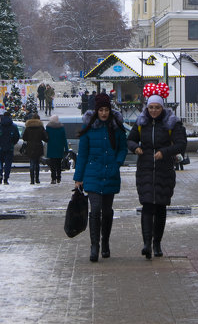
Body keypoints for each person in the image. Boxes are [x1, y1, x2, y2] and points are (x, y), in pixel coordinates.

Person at [127, 93, 186, 259]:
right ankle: (146, 243)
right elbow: (130, 139)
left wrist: (164, 152)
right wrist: (135, 148)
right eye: (151, 107)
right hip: (145, 168)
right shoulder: (141, 123)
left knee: (160, 207)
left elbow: (182, 144)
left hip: (164, 170)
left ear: (162, 108)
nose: (153, 111)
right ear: (147, 108)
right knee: (147, 205)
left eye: (157, 107)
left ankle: (157, 243)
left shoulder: (171, 123)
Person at [73, 93, 127, 262]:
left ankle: (105, 242)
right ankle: (94, 245)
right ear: (96, 111)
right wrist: (78, 178)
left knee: (107, 211)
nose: (104, 113)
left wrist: (116, 163)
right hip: (93, 175)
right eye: (101, 110)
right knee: (95, 210)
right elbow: (82, 155)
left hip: (110, 174)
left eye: (106, 110)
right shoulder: (89, 129)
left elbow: (123, 149)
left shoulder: (116, 128)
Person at [0, 111, 21, 185]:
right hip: (10, 148)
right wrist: (13, 143)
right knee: (8, 163)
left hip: (0, 147)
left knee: (0, 161)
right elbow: (17, 137)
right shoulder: (14, 126)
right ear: (10, 116)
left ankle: (0, 174)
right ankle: (6, 178)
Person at [21, 112, 47, 184]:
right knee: (37, 163)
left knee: (31, 163)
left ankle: (32, 180)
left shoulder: (28, 127)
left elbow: (24, 138)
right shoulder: (41, 127)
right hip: (38, 146)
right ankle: (37, 179)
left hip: (30, 146)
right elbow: (45, 137)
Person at [45, 114, 68, 184]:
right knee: (58, 164)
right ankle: (59, 178)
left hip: (51, 148)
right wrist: (66, 148)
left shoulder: (48, 127)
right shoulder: (61, 127)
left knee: (52, 165)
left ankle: (53, 178)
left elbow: (46, 137)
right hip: (59, 148)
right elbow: (64, 138)